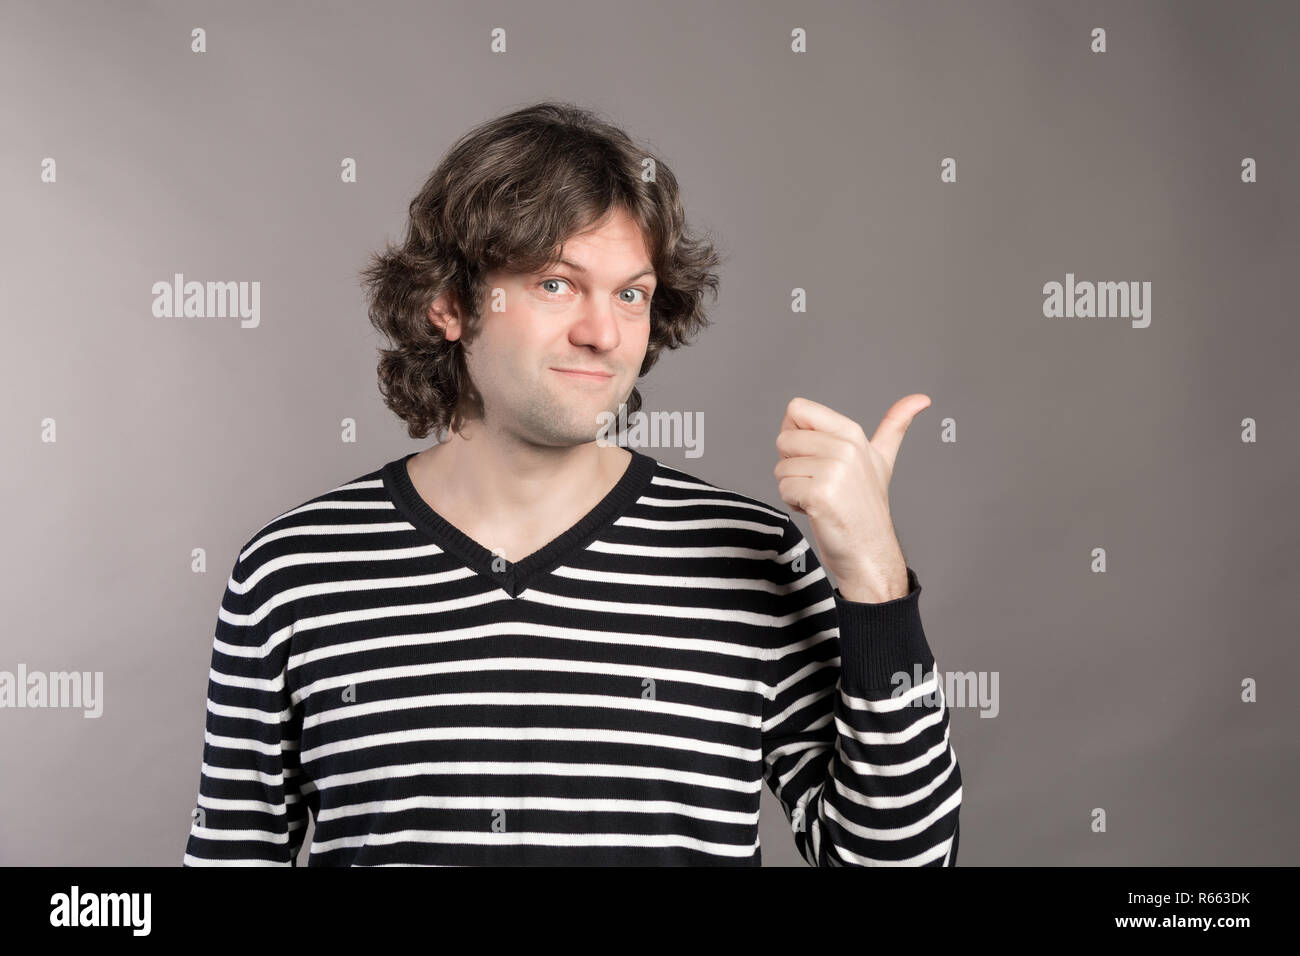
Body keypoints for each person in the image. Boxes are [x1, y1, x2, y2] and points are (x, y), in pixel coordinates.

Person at [182, 101, 962, 866]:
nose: (603, 332)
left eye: (631, 294)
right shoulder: (293, 572)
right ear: (449, 303)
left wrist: (874, 582)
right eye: (557, 284)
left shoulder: (756, 556)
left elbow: (899, 862)